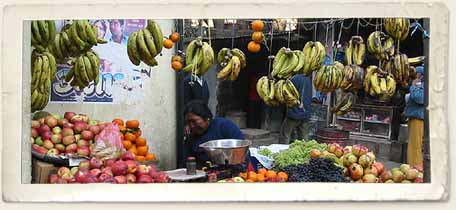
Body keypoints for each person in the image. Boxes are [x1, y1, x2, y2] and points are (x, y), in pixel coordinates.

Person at [183, 100, 245, 168]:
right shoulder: (191, 136)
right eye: (188, 122)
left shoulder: (224, 126)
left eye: (194, 121)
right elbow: (187, 162)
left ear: (207, 118)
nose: (191, 126)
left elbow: (242, 153)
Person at [279, 74, 313, 144]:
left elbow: (287, 94)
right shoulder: (308, 79)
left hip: (294, 113)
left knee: (285, 134)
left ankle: (282, 150)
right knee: (304, 137)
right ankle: (305, 152)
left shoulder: (293, 79)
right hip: (306, 113)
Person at [405, 65, 425, 170]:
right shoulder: (421, 84)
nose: (414, 75)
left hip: (418, 119)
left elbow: (419, 98)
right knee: (416, 145)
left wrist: (413, 86)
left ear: (420, 75)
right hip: (416, 118)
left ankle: (414, 169)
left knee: (415, 146)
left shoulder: (421, 84)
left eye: (416, 73)